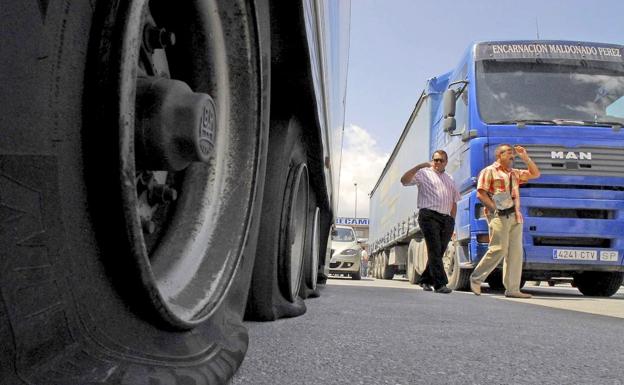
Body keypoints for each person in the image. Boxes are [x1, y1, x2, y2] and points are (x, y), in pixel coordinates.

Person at [470, 144, 541, 298]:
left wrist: (525, 158)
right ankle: (476, 279)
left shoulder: (514, 173)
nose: (512, 156)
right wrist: (494, 209)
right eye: (508, 153)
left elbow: (535, 174)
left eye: (512, 154)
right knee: (498, 249)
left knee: (515, 253)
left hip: (515, 216)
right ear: (499, 155)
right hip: (499, 216)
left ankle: (513, 289)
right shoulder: (489, 171)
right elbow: (481, 193)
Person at [401, 150, 460, 294]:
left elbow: (454, 200)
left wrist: (452, 220)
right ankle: (440, 284)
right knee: (434, 249)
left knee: (439, 251)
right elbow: (404, 181)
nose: (437, 163)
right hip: (428, 216)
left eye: (441, 160)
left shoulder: (450, 178)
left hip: (446, 219)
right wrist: (418, 166)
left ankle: (426, 280)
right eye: (435, 160)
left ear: (446, 162)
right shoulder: (424, 173)